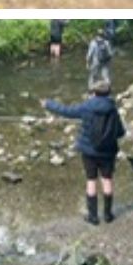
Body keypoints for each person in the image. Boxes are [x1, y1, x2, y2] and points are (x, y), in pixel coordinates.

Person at [43, 82, 125, 225]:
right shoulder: (113, 109)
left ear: (94, 93)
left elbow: (66, 111)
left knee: (91, 180)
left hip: (89, 151)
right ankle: (108, 215)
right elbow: (120, 132)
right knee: (107, 179)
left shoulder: (87, 107)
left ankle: (93, 217)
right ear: (108, 94)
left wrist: (48, 104)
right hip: (108, 152)